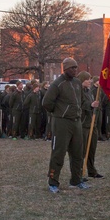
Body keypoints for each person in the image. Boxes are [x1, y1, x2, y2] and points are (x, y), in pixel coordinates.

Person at [42, 58, 87, 193]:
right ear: (65, 69)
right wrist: (60, 112)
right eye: (72, 68)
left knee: (78, 153)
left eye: (76, 67)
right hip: (62, 122)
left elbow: (81, 100)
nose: (75, 70)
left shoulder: (77, 83)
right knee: (59, 152)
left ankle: (76, 180)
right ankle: (53, 182)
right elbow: (46, 103)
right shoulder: (57, 84)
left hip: (76, 122)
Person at [78, 71, 103, 180]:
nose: (89, 81)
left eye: (90, 79)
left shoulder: (89, 92)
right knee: (82, 150)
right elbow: (79, 105)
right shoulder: (78, 91)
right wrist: (90, 105)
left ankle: (91, 170)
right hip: (83, 124)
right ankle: (79, 172)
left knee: (92, 149)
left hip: (92, 123)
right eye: (87, 79)